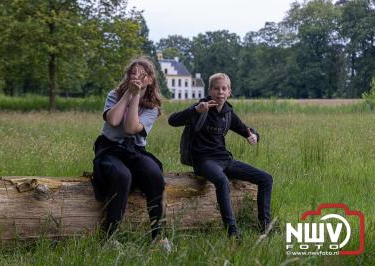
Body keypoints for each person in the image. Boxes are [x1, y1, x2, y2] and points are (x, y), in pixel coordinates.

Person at [168, 73, 273, 238]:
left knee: (266, 178)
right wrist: (195, 110)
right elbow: (172, 120)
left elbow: (246, 129)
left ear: (229, 92)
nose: (220, 92)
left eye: (224, 88)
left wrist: (254, 136)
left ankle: (265, 228)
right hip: (204, 161)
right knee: (222, 180)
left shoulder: (227, 112)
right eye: (216, 88)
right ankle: (232, 231)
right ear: (210, 91)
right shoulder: (201, 107)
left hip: (225, 160)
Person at [92, 57, 165, 240]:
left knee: (155, 174)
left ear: (150, 79)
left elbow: (130, 128)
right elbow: (114, 121)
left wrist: (137, 96)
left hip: (134, 151)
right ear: (127, 76)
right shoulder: (114, 94)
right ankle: (110, 236)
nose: (137, 77)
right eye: (134, 73)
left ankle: (158, 237)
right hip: (110, 149)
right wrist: (128, 95)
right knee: (122, 176)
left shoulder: (153, 107)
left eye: (142, 74)